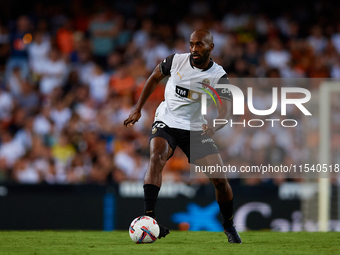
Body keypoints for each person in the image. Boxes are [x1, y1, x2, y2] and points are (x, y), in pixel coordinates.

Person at [124, 29, 242, 244]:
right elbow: (153, 77)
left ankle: (229, 226)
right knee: (156, 157)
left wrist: (214, 126)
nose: (194, 49)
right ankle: (149, 219)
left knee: (220, 180)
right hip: (166, 120)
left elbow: (226, 111)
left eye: (199, 45)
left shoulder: (218, 76)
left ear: (211, 47)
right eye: (191, 44)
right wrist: (138, 108)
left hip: (195, 128)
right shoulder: (175, 61)